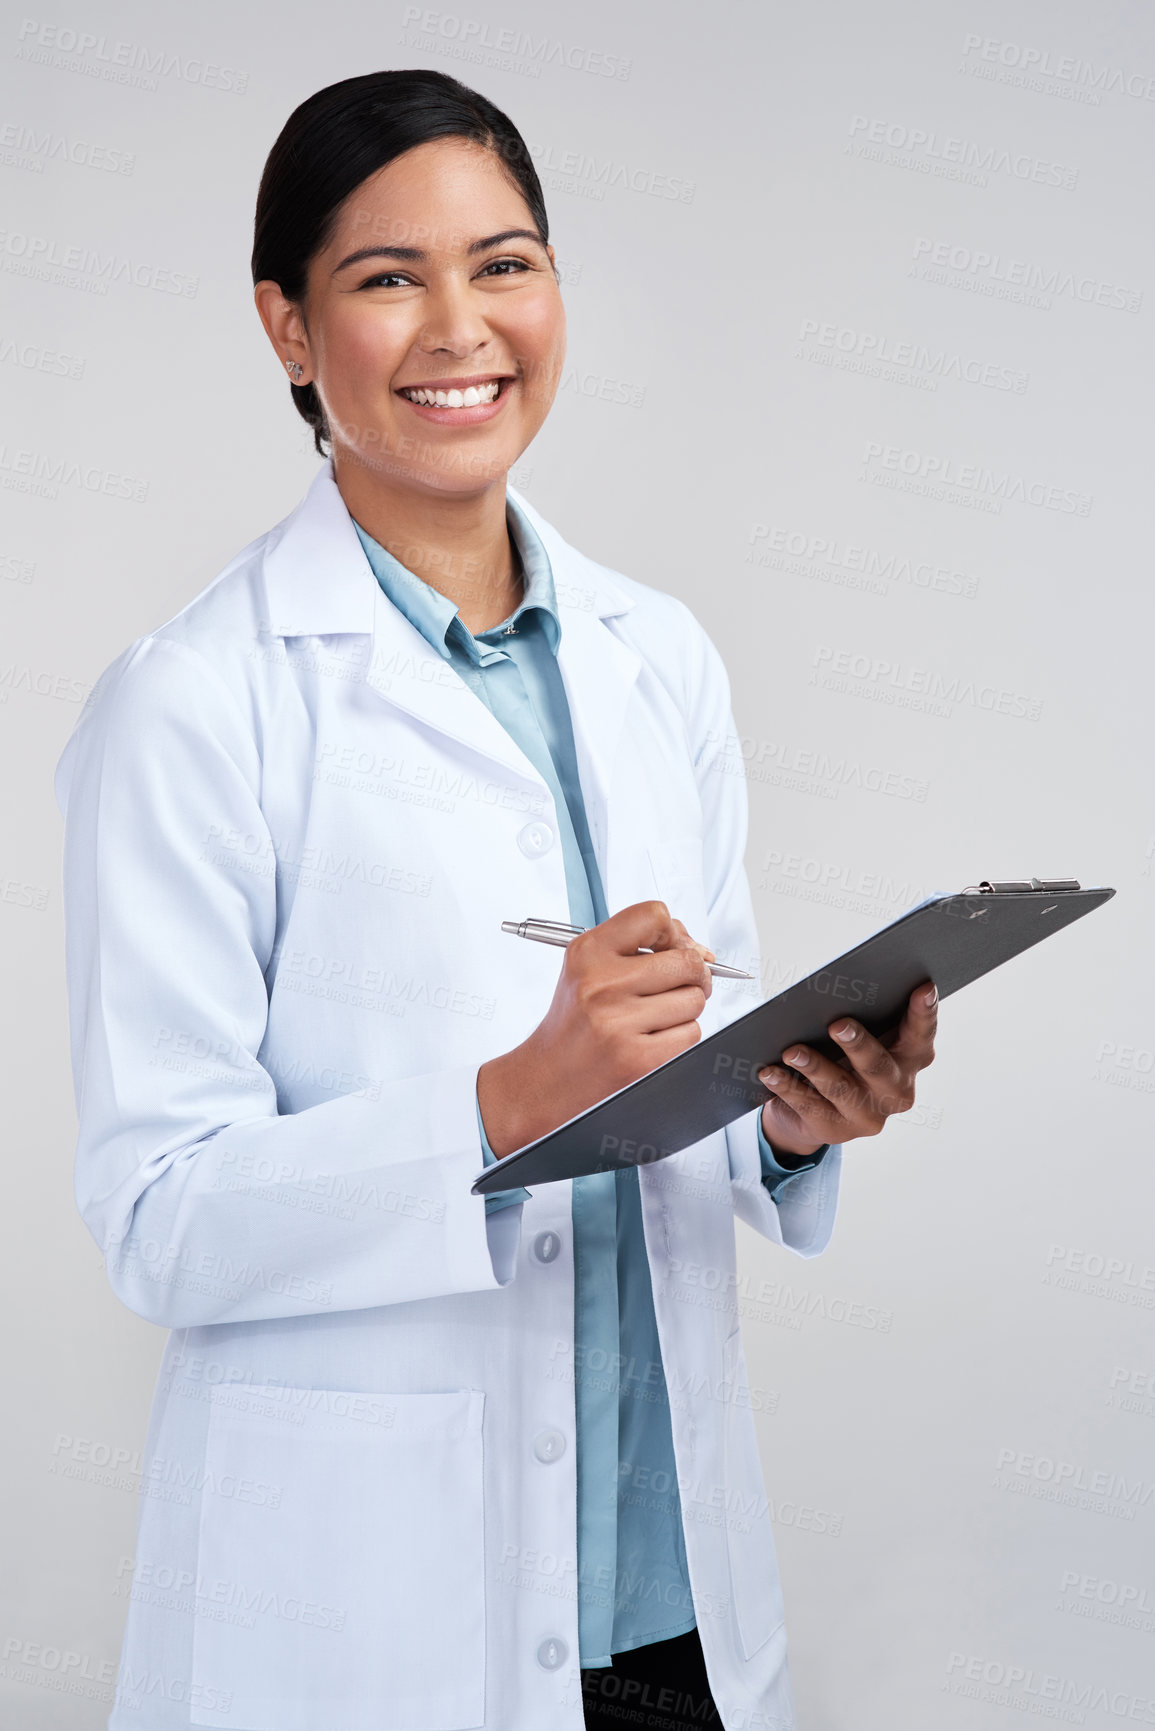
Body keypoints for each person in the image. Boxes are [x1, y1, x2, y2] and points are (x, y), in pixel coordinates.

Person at [54, 69, 937, 1731]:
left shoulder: (654, 656)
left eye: (505, 263)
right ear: (290, 329)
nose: (463, 326)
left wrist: (797, 1115)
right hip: (370, 1630)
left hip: (672, 1613)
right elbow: (159, 1215)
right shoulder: (193, 701)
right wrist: (509, 1101)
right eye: (389, 278)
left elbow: (697, 1086)